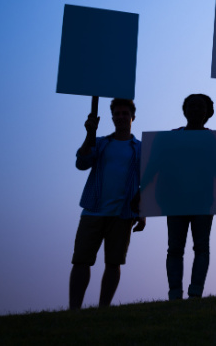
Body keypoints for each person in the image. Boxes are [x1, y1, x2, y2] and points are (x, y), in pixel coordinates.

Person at [69, 98, 146, 310]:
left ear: (133, 117)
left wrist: (143, 213)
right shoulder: (101, 142)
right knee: (81, 260)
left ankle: (104, 308)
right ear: (112, 117)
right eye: (117, 114)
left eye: (124, 113)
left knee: (114, 262)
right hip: (93, 210)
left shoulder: (140, 148)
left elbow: (145, 183)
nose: (120, 117)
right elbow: (81, 163)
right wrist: (89, 133)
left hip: (123, 213)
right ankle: (74, 308)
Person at [163, 94, 216, 300]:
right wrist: (143, 191)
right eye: (192, 105)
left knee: (201, 247)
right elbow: (159, 165)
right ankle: (175, 293)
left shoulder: (213, 139)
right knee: (175, 248)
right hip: (176, 200)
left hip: (203, 200)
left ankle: (195, 291)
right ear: (185, 110)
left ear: (208, 113)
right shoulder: (173, 136)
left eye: (200, 106)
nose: (196, 110)